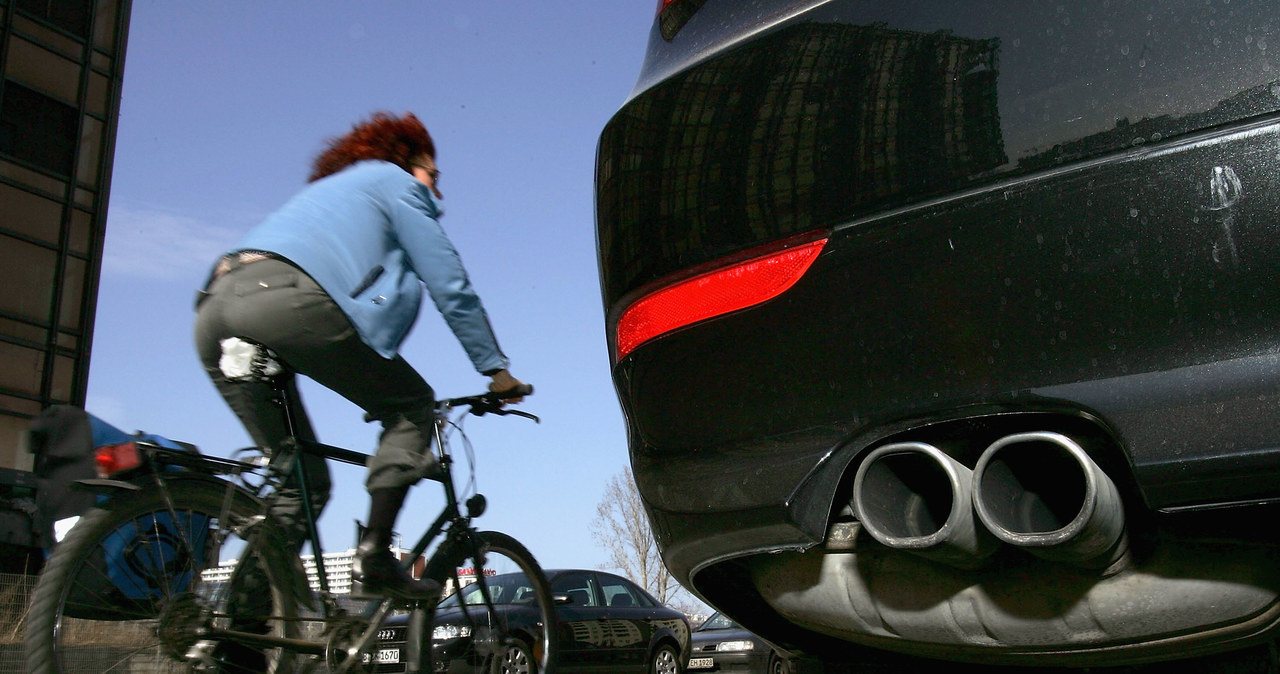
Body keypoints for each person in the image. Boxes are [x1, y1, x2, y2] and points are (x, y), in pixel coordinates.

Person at [194, 111, 526, 669]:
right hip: (283, 300)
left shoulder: (326, 195)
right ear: (408, 161)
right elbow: (449, 281)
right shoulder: (393, 182)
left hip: (215, 308)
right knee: (411, 405)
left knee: (298, 483)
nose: (435, 186)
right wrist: (496, 370)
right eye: (431, 172)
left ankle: (242, 638)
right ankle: (375, 552)